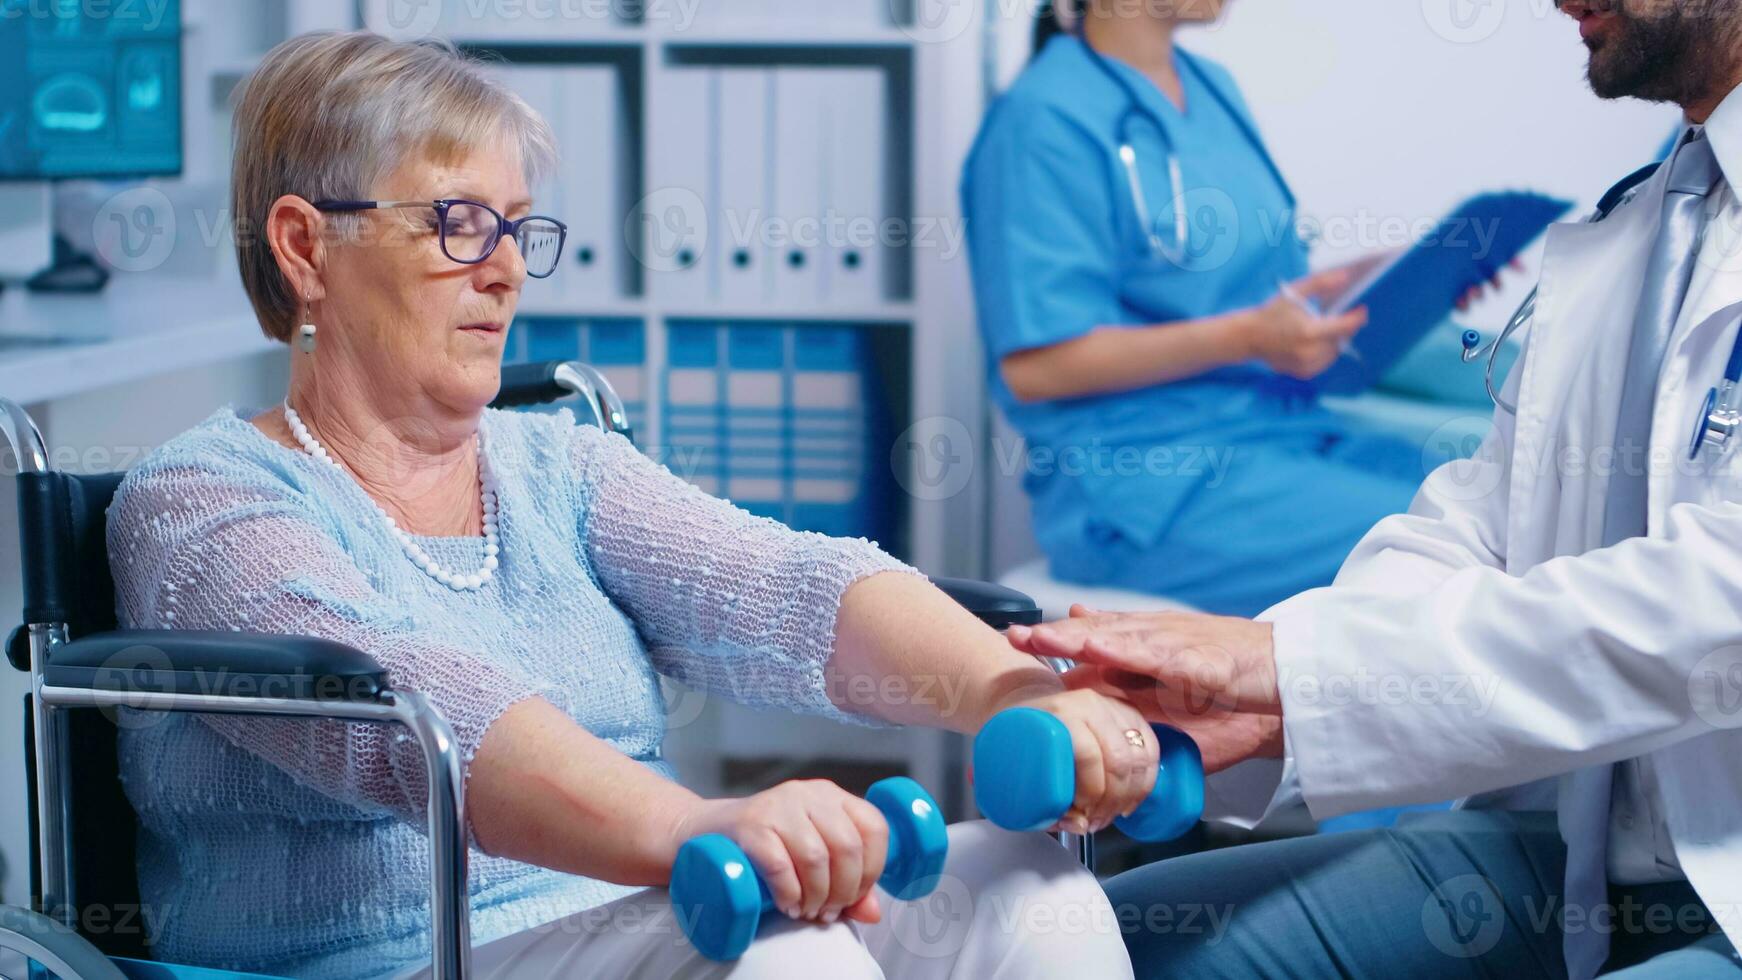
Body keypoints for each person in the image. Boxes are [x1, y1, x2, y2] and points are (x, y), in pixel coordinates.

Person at [105, 31, 1146, 980]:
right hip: (383, 957)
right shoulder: (197, 501)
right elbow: (412, 703)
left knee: (1032, 882)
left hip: (631, 923)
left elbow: (784, 587)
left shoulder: (560, 466)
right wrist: (702, 824)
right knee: (792, 953)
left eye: (517, 228)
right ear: (304, 246)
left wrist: (1018, 694)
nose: (507, 270)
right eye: (460, 225)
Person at [1004, 1, 1742, 976]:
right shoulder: (1634, 229)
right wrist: (1285, 698)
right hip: (1146, 478)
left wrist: (1298, 668)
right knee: (1086, 946)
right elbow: (1481, 523)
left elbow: (1709, 601)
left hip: (1708, 872)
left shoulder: (1208, 95)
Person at [961, 0, 1476, 617]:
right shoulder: (1040, 121)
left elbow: (1248, 296)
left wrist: (1385, 277)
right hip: (1147, 489)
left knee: (1490, 499)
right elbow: (1036, 367)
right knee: (1459, 549)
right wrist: (1250, 338)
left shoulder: (1212, 89)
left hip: (1281, 431)